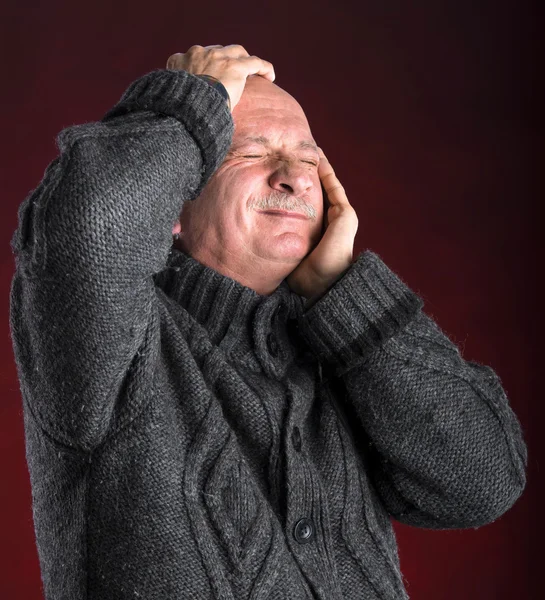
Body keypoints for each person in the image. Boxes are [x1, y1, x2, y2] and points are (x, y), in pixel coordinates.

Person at [9, 44, 528, 600]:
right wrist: (186, 105)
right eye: (251, 153)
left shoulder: (339, 346)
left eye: (308, 160)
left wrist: (344, 297)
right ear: (175, 203)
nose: (292, 178)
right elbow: (87, 229)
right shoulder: (107, 337)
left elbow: (484, 483)